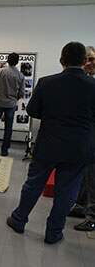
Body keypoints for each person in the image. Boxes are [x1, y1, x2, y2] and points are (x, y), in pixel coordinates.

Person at [6, 42, 95, 244]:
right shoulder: (93, 86)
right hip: (79, 149)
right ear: (84, 61)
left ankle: (19, 220)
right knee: (67, 191)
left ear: (61, 60)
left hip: (49, 144)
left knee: (33, 184)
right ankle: (54, 232)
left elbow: (32, 111)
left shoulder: (47, 83)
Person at [69, 46, 95, 231]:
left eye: (93, 59)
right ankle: (80, 206)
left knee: (93, 176)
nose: (89, 63)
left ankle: (92, 215)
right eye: (87, 59)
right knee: (85, 174)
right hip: (84, 136)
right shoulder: (84, 82)